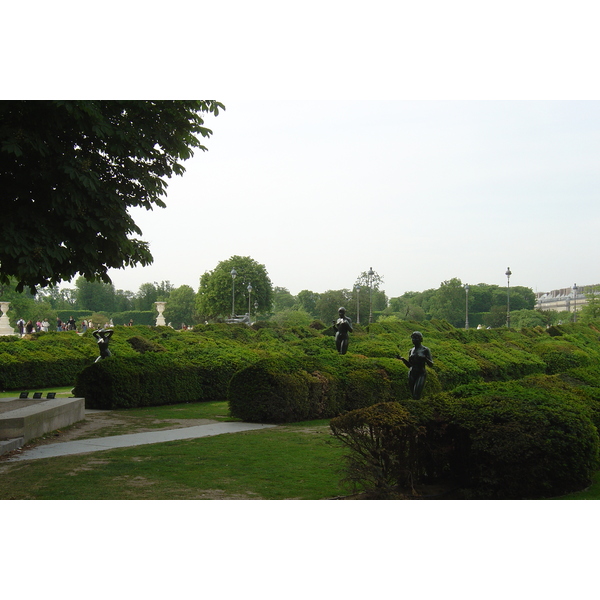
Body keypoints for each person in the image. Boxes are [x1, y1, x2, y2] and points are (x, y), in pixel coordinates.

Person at [398, 331, 433, 400]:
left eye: (416, 338)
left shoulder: (425, 350)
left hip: (421, 373)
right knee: (413, 394)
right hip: (412, 373)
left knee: (416, 395)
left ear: (420, 339)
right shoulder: (411, 350)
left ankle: (418, 408)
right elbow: (410, 365)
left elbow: (431, 364)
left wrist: (425, 359)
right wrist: (402, 359)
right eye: (413, 338)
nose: (414, 340)